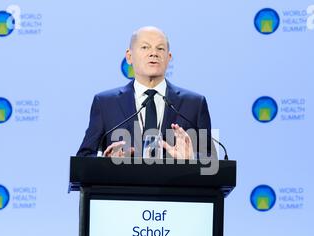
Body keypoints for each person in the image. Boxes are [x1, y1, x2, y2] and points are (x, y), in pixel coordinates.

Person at [77, 26, 213, 159]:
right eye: (145, 47)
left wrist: (191, 158)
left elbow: (210, 160)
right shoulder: (106, 103)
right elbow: (84, 157)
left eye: (160, 48)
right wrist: (105, 161)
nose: (154, 53)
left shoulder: (194, 104)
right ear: (129, 57)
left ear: (168, 57)